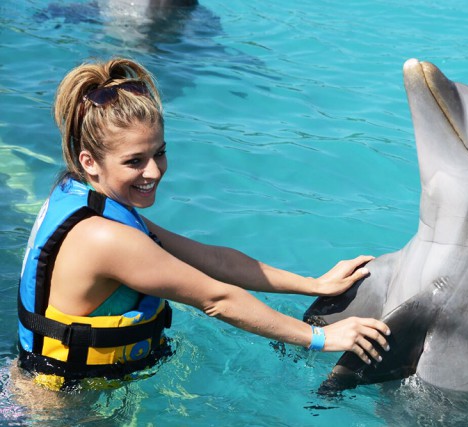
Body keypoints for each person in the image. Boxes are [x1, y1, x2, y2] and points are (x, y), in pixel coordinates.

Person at [17, 57, 390, 391]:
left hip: (62, 386)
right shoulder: (105, 237)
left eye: (159, 152)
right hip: (63, 407)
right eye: (134, 161)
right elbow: (217, 299)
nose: (154, 171)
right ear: (89, 161)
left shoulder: (83, 199)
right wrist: (321, 338)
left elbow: (214, 261)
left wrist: (313, 285)